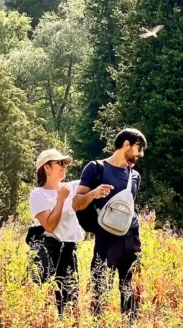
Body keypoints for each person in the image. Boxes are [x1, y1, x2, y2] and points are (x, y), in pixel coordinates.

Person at [74, 128, 147, 320]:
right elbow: (76, 203)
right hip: (106, 239)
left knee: (131, 292)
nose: (141, 154)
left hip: (131, 239)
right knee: (100, 290)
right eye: (139, 148)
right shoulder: (96, 168)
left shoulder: (135, 176)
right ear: (125, 144)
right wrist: (93, 194)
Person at [28, 148, 108, 314]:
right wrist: (62, 198)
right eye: (59, 163)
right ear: (46, 168)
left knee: (69, 299)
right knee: (42, 298)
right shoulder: (37, 194)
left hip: (69, 250)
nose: (64, 166)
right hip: (47, 249)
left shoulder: (72, 187)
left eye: (65, 163)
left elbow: (94, 182)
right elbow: (50, 226)